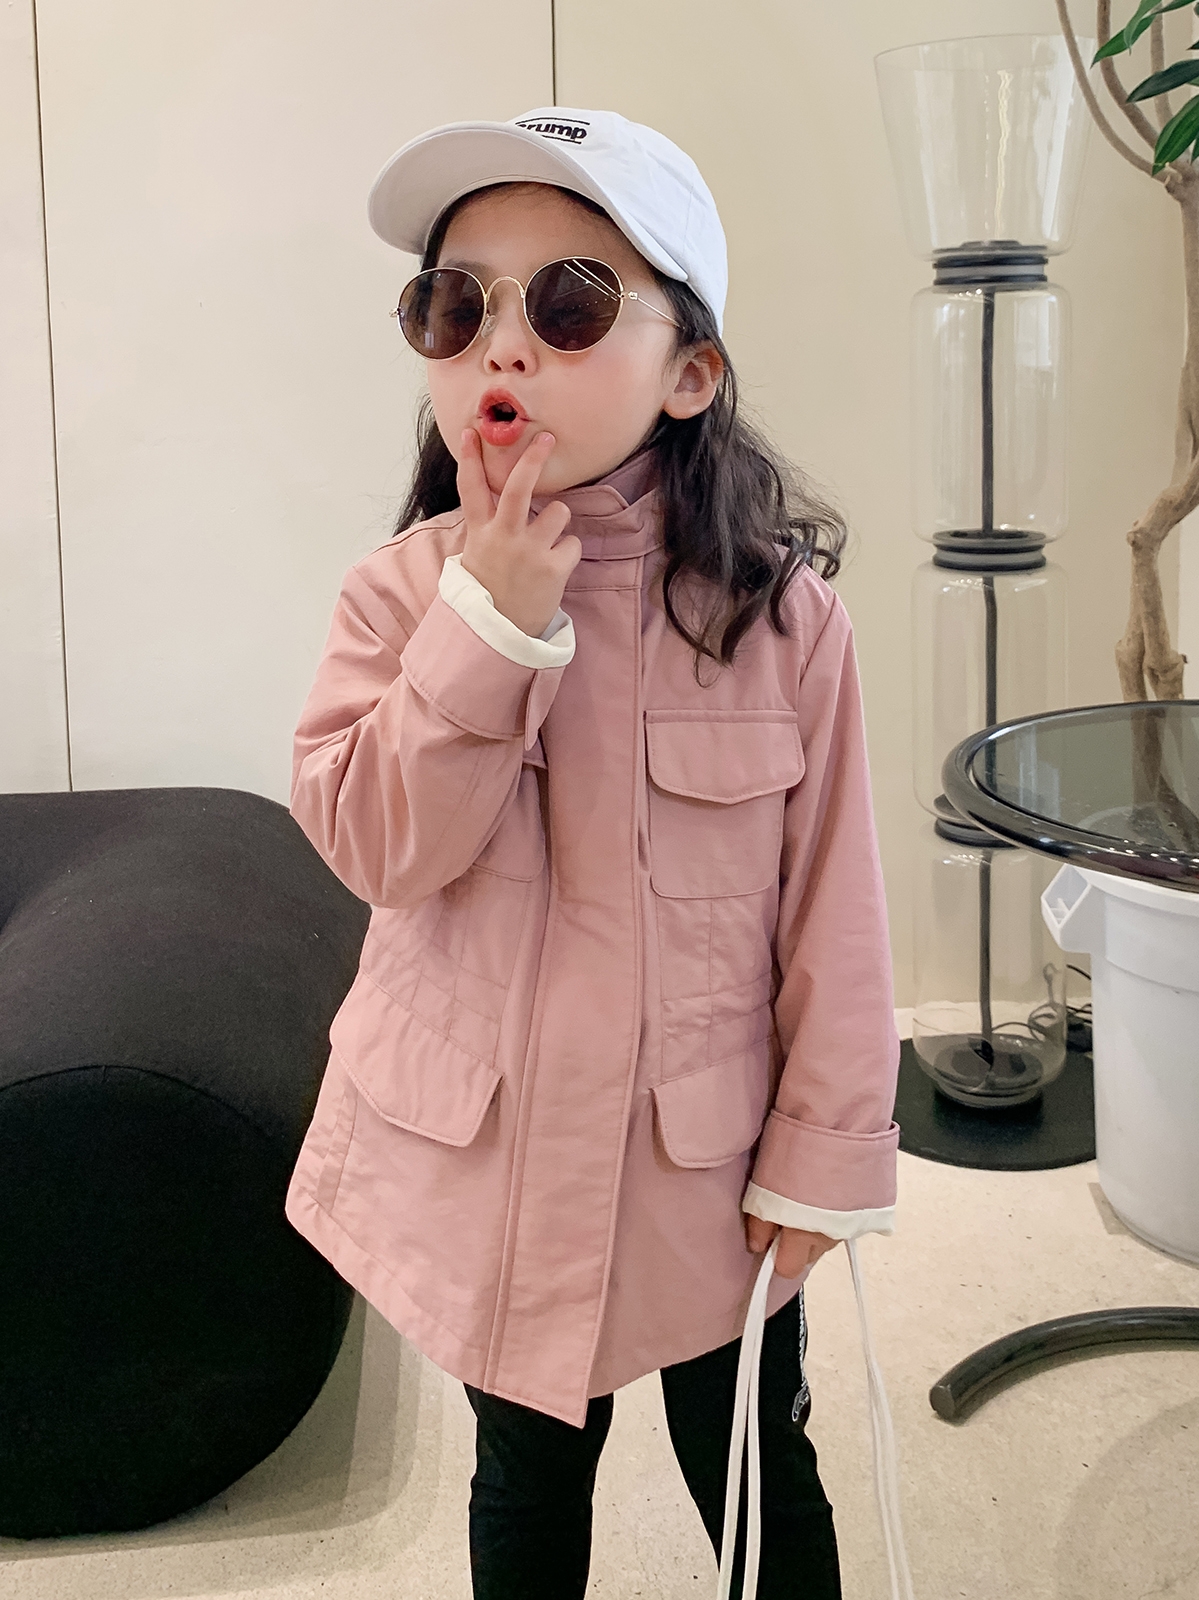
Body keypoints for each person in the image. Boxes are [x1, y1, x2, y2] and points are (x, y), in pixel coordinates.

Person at [284, 106, 901, 1600]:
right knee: (525, 1479)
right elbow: (376, 846)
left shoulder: (779, 621)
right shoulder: (395, 599)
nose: (504, 342)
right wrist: (485, 631)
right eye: (459, 306)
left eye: (568, 303)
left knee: (755, 1461)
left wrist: (824, 1154)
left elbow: (836, 909)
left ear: (691, 372)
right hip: (497, 1163)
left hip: (704, 1164)